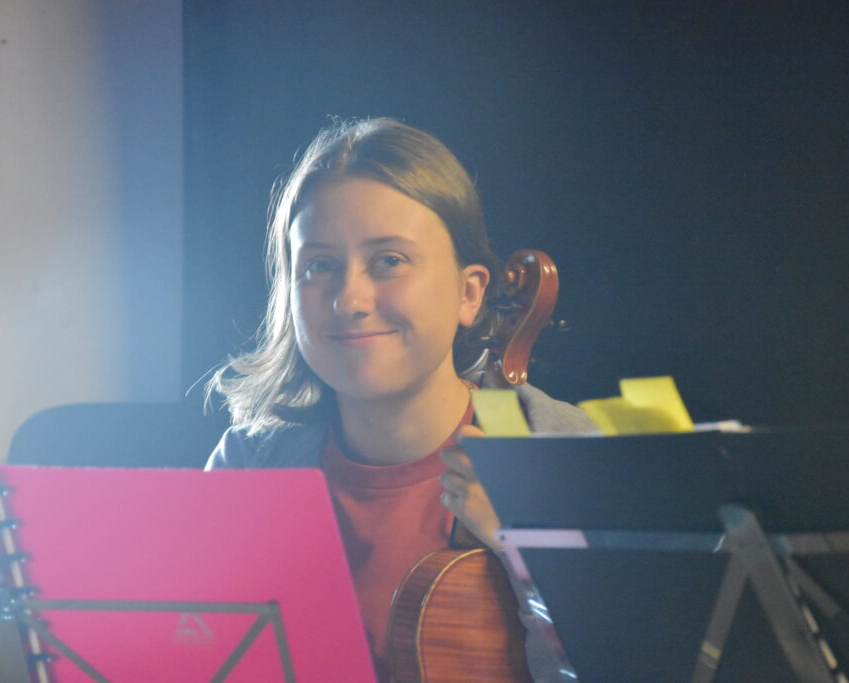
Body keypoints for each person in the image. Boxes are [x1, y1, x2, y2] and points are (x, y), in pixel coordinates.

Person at [206, 117, 597, 680]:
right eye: (319, 266)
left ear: (469, 294)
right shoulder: (249, 467)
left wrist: (527, 550)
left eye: (389, 260)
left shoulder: (575, 456)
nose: (350, 300)